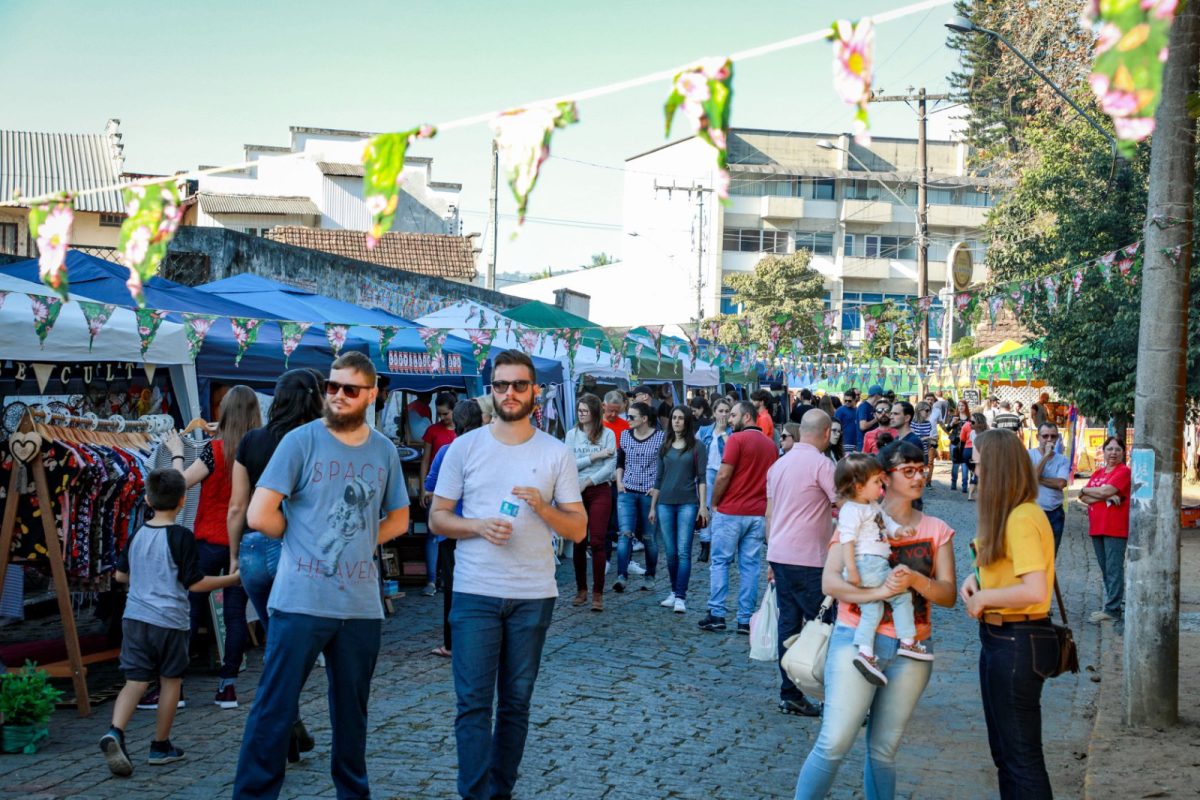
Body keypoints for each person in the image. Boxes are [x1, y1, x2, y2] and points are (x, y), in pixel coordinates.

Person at [232, 351, 410, 800]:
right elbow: (258, 513)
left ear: (370, 395)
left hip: (359, 606)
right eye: (331, 387)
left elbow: (400, 519)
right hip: (299, 600)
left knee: (352, 716)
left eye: (350, 389)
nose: (337, 395)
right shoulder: (300, 441)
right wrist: (301, 538)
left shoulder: (384, 449)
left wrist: (363, 541)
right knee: (275, 708)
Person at [429, 349, 587, 800]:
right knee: (473, 705)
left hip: (533, 595)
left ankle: (501, 791)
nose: (510, 393)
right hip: (475, 592)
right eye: (502, 385)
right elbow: (439, 518)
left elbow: (578, 530)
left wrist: (543, 507)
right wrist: (477, 525)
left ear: (535, 392)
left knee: (515, 705)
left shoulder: (557, 453)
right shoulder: (464, 447)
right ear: (491, 391)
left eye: (519, 385)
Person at [796, 440, 957, 798]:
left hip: (912, 649)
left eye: (922, 469)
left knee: (883, 751)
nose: (919, 477)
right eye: (909, 470)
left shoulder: (936, 529)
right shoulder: (859, 516)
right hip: (855, 639)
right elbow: (831, 581)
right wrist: (877, 594)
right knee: (834, 742)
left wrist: (914, 580)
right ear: (886, 477)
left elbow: (947, 595)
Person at [100, 469, 241, 776]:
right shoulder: (181, 537)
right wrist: (231, 579)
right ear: (182, 500)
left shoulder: (137, 534)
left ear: (148, 500)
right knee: (170, 681)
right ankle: (160, 745)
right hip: (170, 620)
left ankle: (115, 731)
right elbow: (194, 583)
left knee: (135, 681)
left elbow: (121, 575)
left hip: (135, 618)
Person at [228, 369, 324, 761]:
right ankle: (278, 723)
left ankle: (290, 724)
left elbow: (238, 505)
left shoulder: (252, 440)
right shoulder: (319, 440)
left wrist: (235, 554)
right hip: (294, 547)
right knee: (293, 649)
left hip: (253, 549)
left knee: (279, 643)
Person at [960, 429, 1058, 800]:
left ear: (997, 468)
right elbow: (1008, 567)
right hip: (1004, 640)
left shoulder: (1020, 517)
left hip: (1017, 640)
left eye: (980, 463)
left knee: (1020, 758)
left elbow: (1035, 590)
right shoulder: (1013, 515)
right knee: (1007, 754)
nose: (975, 470)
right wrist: (976, 576)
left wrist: (985, 598)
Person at [163, 384, 259, 710]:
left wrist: (177, 452)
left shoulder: (213, 451)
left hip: (206, 541)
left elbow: (179, 484)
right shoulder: (258, 450)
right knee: (235, 615)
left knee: (189, 609)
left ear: (224, 413)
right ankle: (227, 687)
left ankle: (175, 687)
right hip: (243, 540)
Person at [834, 454, 926, 685]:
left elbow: (888, 524)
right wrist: (852, 570)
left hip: (873, 564)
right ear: (858, 486)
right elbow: (847, 541)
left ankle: (865, 652)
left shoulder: (872, 506)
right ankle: (908, 640)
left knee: (872, 610)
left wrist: (899, 532)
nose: (881, 485)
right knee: (901, 596)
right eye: (876, 482)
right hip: (868, 564)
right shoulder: (852, 510)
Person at [765, 409, 834, 718]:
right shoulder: (821, 464)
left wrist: (770, 554)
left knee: (788, 626)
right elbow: (843, 502)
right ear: (826, 432)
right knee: (825, 627)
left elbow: (770, 513)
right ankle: (835, 694)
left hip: (780, 553)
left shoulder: (779, 464)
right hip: (808, 558)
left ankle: (789, 692)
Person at [700, 401, 777, 633]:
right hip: (757, 513)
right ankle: (745, 619)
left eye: (733, 415)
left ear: (746, 417)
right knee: (750, 566)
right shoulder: (771, 445)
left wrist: (713, 502)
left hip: (731, 511)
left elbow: (723, 474)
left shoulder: (736, 439)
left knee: (721, 562)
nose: (729, 419)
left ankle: (717, 613)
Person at [426, 399, 486, 656]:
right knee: (483, 586)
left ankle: (452, 644)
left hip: (451, 528)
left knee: (453, 587)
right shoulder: (491, 451)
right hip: (482, 529)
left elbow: (430, 487)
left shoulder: (447, 451)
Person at [651, 405, 709, 613]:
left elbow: (702, 478)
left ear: (687, 421)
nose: (676, 421)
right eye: (674, 417)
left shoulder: (697, 447)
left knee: (684, 550)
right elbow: (658, 478)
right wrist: (652, 506)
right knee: (670, 551)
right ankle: (674, 591)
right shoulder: (665, 445)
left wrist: (703, 505)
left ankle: (681, 596)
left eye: (680, 418)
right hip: (665, 502)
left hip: (687, 503)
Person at [564, 393, 617, 612]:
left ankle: (598, 592)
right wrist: (594, 457)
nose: (581, 414)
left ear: (595, 412)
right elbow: (568, 464)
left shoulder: (608, 434)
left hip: (599, 489)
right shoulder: (572, 435)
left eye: (585, 410)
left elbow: (611, 465)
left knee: (596, 540)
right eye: (579, 410)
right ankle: (581, 589)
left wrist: (589, 480)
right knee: (578, 540)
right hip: (575, 490)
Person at [1079, 436, 1131, 624]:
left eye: (1117, 449)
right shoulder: (1098, 473)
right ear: (1104, 451)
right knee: (1105, 568)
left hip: (1115, 527)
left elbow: (1100, 492)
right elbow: (1082, 497)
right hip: (1097, 527)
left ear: (1123, 452)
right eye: (1109, 449)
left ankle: (1112, 610)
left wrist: (1092, 492)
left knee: (1113, 568)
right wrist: (1103, 496)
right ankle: (1113, 604)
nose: (1113, 453)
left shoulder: (1124, 472)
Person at [615, 402, 665, 592]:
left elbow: (664, 466)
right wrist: (619, 481)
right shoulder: (625, 436)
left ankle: (650, 575)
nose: (627, 420)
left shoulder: (660, 438)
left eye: (631, 417)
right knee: (625, 534)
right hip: (627, 491)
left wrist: (657, 488)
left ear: (644, 419)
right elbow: (620, 461)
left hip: (648, 493)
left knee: (648, 537)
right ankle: (621, 575)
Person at [419, 392, 458, 596]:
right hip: (435, 491)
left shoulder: (461, 432)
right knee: (433, 535)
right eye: (439, 413)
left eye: (446, 413)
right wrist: (424, 488)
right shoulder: (432, 431)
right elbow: (425, 460)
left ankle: (448, 578)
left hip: (455, 495)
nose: (442, 417)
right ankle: (432, 580)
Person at [698, 397, 733, 563]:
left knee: (723, 510)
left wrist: (724, 434)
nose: (724, 414)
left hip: (725, 473)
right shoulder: (705, 431)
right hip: (707, 471)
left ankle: (725, 546)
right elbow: (695, 449)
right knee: (705, 507)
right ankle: (705, 544)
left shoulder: (733, 432)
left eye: (727, 411)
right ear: (714, 412)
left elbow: (733, 452)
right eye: (721, 411)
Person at [1028, 423, 1071, 555]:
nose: (1049, 440)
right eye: (1045, 436)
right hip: (1032, 511)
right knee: (1033, 555)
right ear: (1038, 437)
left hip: (1054, 513)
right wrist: (1046, 456)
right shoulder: (1028, 455)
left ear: (1057, 438)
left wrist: (1036, 479)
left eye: (1053, 436)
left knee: (1050, 557)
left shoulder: (1063, 460)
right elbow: (1031, 477)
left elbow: (1060, 484)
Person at [943, 399, 970, 492]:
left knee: (965, 463)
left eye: (963, 405)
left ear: (966, 407)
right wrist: (952, 423)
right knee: (955, 463)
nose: (961, 407)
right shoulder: (954, 417)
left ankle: (964, 485)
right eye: (959, 405)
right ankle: (953, 483)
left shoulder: (970, 418)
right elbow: (947, 429)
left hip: (966, 443)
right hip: (955, 442)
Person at [911, 401, 935, 487]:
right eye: (927, 410)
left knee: (922, 469)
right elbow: (913, 439)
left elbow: (928, 438)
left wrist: (932, 441)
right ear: (919, 410)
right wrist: (927, 438)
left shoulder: (928, 424)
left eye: (929, 410)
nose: (928, 413)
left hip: (924, 451)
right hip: (914, 451)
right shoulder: (913, 423)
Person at [966, 413, 988, 501]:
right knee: (974, 475)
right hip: (975, 457)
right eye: (969, 421)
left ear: (980, 423)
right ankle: (971, 495)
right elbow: (973, 446)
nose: (970, 424)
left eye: (972, 422)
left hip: (985, 457)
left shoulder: (987, 433)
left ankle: (980, 494)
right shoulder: (972, 433)